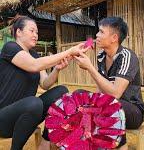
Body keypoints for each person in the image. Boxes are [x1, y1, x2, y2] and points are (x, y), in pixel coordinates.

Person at [0, 16, 89, 150]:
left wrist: (57, 69)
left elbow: (45, 84)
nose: (36, 35)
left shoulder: (35, 55)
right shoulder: (10, 48)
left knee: (61, 92)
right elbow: (34, 66)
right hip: (4, 118)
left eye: (37, 32)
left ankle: (46, 139)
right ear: (18, 32)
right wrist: (69, 51)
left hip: (29, 114)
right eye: (32, 31)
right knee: (34, 103)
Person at [74, 17, 144, 150]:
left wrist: (90, 68)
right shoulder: (101, 56)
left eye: (101, 32)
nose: (97, 35)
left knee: (109, 104)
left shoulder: (127, 57)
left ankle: (115, 145)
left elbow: (115, 93)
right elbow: (101, 91)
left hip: (133, 111)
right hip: (109, 106)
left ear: (114, 38)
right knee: (78, 95)